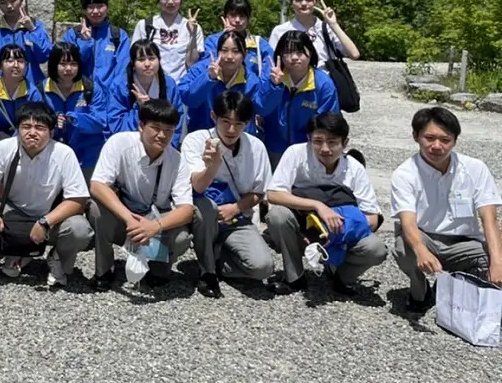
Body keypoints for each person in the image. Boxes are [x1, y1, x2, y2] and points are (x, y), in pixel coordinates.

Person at [0, 102, 93, 286]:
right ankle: (11, 254)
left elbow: (77, 200)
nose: (32, 132)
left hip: (49, 220)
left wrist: (45, 222)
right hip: (13, 215)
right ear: (18, 129)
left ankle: (56, 258)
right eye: (26, 126)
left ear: (51, 132)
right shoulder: (4, 148)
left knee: (80, 229)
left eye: (39, 127)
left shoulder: (64, 154)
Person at [391, 106, 502, 313]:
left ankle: (457, 289)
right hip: (425, 236)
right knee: (403, 248)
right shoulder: (405, 174)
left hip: (463, 242)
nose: (437, 146)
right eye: (429, 138)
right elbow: (407, 222)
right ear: (416, 136)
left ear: (455, 141)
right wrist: (422, 250)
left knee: (492, 261)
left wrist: (498, 262)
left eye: (445, 140)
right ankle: (420, 292)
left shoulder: (474, 168)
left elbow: (490, 219)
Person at [266, 113, 386, 296]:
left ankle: (342, 277)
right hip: (301, 226)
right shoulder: (296, 153)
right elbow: (274, 194)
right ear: (308, 139)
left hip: (339, 231)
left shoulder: (354, 168)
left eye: (332, 142)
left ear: (345, 143)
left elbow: (373, 217)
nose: (324, 148)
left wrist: (337, 233)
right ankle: (294, 277)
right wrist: (318, 206)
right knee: (277, 216)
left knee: (376, 249)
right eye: (318, 141)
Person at [88, 99, 195, 290]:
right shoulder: (119, 143)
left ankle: (156, 263)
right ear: (141, 126)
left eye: (169, 130)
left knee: (181, 239)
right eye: (155, 127)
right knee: (96, 209)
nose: (162, 135)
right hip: (125, 217)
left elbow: (186, 209)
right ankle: (104, 270)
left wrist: (154, 226)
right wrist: (129, 219)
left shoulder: (177, 160)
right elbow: (97, 185)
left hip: (155, 221)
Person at [181, 92, 275, 298]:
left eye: (239, 124)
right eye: (226, 122)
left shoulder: (256, 147)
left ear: (248, 123)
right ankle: (207, 272)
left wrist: (236, 208)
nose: (232, 130)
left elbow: (259, 192)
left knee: (263, 267)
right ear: (214, 117)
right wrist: (212, 166)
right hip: (202, 216)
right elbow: (196, 187)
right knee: (206, 207)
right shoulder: (195, 141)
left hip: (237, 216)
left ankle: (216, 257)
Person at [252, 31, 339, 167]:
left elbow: (330, 122)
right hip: (274, 148)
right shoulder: (271, 77)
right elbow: (261, 109)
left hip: (307, 150)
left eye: (299, 52)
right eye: (287, 53)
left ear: (310, 53)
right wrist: (275, 86)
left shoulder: (323, 84)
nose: (293, 58)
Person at [30, 44, 110, 180]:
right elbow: (33, 121)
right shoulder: (40, 90)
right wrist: (52, 122)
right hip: (51, 154)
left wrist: (74, 118)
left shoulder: (91, 89)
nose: (68, 69)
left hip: (87, 156)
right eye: (63, 64)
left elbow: (100, 122)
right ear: (54, 65)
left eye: (73, 64)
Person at [180, 31, 259, 138]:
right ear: (217, 52)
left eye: (235, 51)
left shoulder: (251, 80)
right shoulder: (201, 69)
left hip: (236, 139)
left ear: (244, 54)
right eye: (224, 50)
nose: (229, 56)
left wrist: (274, 86)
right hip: (204, 136)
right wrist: (208, 79)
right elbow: (187, 98)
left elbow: (262, 108)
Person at [62, 0, 130, 109]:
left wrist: (115, 94)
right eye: (91, 7)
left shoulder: (119, 36)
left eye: (100, 6)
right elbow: (69, 65)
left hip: (109, 98)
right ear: (84, 10)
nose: (96, 11)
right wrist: (86, 42)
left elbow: (123, 69)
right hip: (78, 96)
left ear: (107, 8)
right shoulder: (72, 35)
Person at [268, 0, 360, 66]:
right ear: (291, 2)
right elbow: (271, 63)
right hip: (294, 82)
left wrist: (334, 24)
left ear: (315, 1)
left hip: (326, 81)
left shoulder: (325, 28)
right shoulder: (280, 31)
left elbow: (354, 54)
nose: (304, 3)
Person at [0, 0, 53, 87]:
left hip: (31, 90)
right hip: (4, 91)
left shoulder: (35, 26)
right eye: (3, 3)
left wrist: (32, 30)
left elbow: (45, 55)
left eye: (13, 0)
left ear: (21, 0)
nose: (9, 6)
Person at [106, 40, 183, 139]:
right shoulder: (119, 86)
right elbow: (116, 125)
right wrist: (139, 108)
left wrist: (168, 146)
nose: (147, 64)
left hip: (162, 143)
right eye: (141, 59)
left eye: (152, 58)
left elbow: (177, 120)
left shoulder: (169, 84)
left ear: (159, 60)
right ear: (133, 64)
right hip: (129, 143)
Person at [130, 0, 202, 82]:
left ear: (181, 0)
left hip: (181, 88)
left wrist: (193, 35)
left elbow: (192, 63)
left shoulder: (194, 27)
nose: (170, 2)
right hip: (152, 87)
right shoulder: (145, 25)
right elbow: (135, 60)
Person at [202, 0, 273, 80]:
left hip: (249, 91)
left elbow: (268, 73)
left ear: (248, 19)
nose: (237, 20)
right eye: (233, 15)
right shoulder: (212, 41)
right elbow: (207, 68)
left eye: (242, 16)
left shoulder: (259, 44)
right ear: (225, 17)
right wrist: (225, 38)